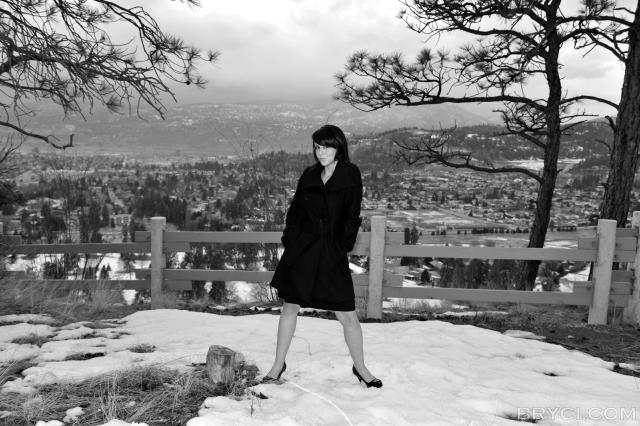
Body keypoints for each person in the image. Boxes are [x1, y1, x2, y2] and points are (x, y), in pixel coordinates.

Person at [262, 124, 382, 388]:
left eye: (326, 146)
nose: (321, 152)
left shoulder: (350, 174)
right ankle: (277, 365)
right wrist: (291, 240)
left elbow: (352, 216)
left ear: (338, 147)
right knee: (290, 307)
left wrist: (342, 246)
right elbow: (295, 212)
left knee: (347, 314)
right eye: (317, 147)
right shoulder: (309, 174)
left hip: (331, 251)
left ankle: (361, 368)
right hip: (302, 250)